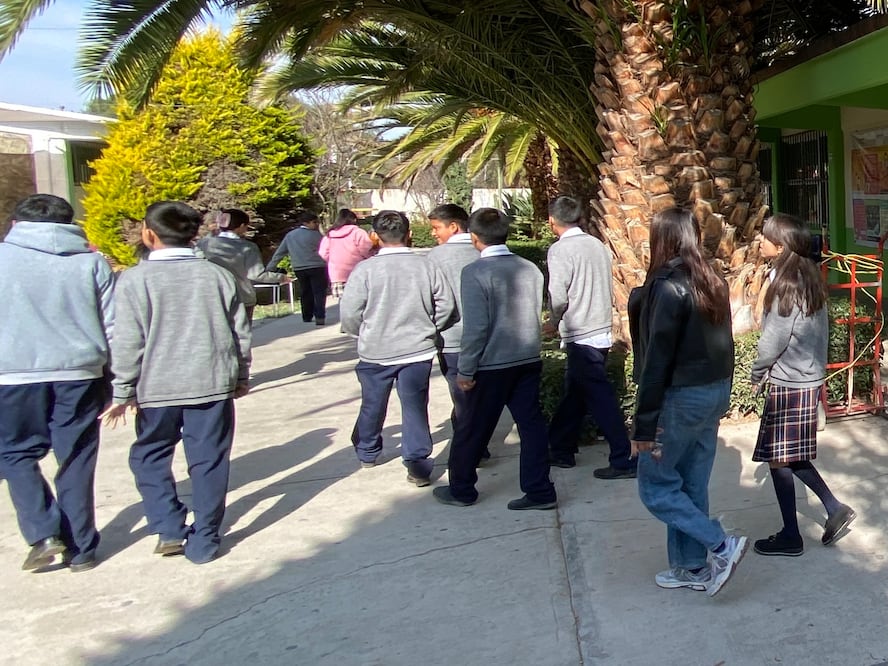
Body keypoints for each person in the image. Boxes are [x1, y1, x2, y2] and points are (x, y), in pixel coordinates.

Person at [103, 201, 251, 565]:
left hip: (156, 389)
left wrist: (122, 389)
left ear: (148, 234)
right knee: (209, 461)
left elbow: (127, 341)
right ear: (194, 235)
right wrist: (241, 375)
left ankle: (168, 527)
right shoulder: (217, 275)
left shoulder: (135, 280)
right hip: (212, 383)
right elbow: (240, 332)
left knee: (149, 456)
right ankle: (205, 539)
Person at [628, 207, 746, 597]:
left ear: (660, 238)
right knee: (692, 484)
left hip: (681, 398)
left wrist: (643, 425)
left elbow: (655, 360)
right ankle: (691, 567)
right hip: (712, 393)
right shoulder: (710, 278)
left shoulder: (667, 285)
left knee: (656, 488)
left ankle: (720, 544)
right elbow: (725, 344)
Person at [0, 194, 114, 573]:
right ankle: (81, 548)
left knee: (15, 453)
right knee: (77, 456)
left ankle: (43, 533)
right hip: (80, 373)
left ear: (17, 223)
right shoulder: (91, 263)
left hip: (11, 376)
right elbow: (113, 324)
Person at [432, 208, 557, 510]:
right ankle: (540, 490)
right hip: (527, 359)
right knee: (531, 426)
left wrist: (466, 368)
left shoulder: (475, 273)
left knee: (472, 426)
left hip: (491, 364)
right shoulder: (530, 268)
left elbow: (476, 328)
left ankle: (462, 489)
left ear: (474, 238)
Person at [751, 214, 855, 557]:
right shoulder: (806, 276)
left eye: (765, 239)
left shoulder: (787, 284)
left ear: (780, 247)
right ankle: (832, 508)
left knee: (779, 459)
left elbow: (773, 340)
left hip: (789, 382)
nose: (759, 242)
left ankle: (791, 536)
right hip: (805, 379)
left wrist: (756, 373)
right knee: (784, 457)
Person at [340, 210, 457, 486]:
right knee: (415, 405)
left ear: (375, 237)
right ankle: (417, 464)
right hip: (417, 349)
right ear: (409, 234)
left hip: (375, 351)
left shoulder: (365, 270)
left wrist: (365, 332)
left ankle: (367, 451)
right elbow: (446, 304)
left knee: (372, 403)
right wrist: (430, 327)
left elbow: (349, 313)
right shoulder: (426, 266)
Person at [544, 196, 636, 479]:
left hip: (580, 332)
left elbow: (558, 296)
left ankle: (622, 457)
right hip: (600, 329)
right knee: (577, 391)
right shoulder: (597, 245)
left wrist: (552, 320)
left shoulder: (560, 250)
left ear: (552, 221)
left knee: (600, 398)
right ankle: (560, 448)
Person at [425, 203, 488, 459]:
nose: (433, 234)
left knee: (462, 397)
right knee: (478, 395)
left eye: (436, 227)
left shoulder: (435, 257)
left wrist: (434, 326)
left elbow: (434, 300)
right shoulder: (482, 252)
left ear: (454, 226)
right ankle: (477, 444)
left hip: (452, 340)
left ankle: (473, 450)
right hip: (485, 339)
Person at [196, 208, 286, 324]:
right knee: (242, 337)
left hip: (212, 297)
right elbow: (256, 274)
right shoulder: (247, 247)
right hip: (241, 297)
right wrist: (280, 277)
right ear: (242, 226)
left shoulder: (203, 244)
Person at [267, 209, 328, 325]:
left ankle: (306, 315)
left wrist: (270, 267)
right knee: (319, 292)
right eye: (314, 222)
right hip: (318, 266)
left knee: (305, 291)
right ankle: (320, 315)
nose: (316, 225)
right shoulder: (318, 235)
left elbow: (280, 252)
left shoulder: (290, 235)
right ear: (306, 223)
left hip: (299, 267)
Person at [318, 208, 373, 298]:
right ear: (354, 220)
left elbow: (323, 253)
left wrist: (333, 260)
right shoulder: (358, 232)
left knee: (344, 304)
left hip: (337, 274)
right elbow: (366, 250)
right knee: (361, 303)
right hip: (358, 273)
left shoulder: (330, 235)